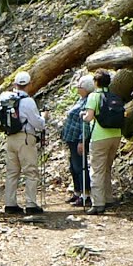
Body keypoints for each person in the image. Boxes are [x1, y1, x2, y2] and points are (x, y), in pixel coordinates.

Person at [2, 71, 46, 215]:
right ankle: (31, 204)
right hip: (25, 138)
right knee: (30, 171)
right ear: (29, 85)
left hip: (10, 139)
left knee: (12, 172)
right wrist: (44, 118)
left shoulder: (6, 98)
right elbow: (37, 124)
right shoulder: (28, 102)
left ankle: (10, 204)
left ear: (15, 84)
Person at [81, 70, 122, 215]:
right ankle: (108, 198)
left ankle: (98, 203)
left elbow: (89, 117)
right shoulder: (114, 96)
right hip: (116, 135)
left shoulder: (94, 96)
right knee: (106, 168)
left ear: (96, 82)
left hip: (99, 136)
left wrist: (83, 115)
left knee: (97, 169)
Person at [61, 75, 94, 207]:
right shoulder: (81, 100)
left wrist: (82, 140)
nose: (77, 88)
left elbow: (85, 123)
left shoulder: (88, 102)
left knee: (80, 166)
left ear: (86, 88)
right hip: (71, 138)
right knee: (73, 166)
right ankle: (77, 192)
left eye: (79, 86)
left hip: (77, 139)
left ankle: (86, 195)